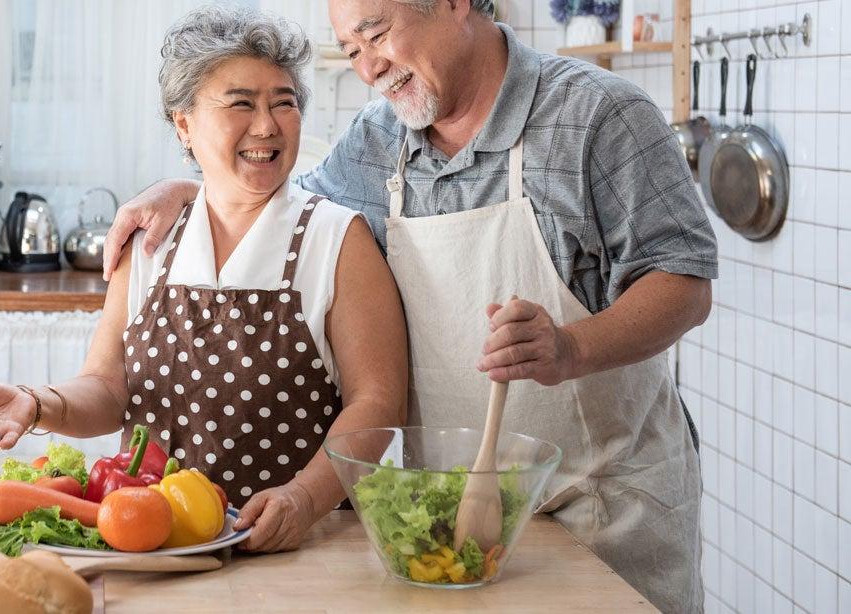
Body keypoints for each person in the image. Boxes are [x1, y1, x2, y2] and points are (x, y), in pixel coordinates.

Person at [97, 1, 716, 611]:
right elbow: (279, 203)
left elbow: (685, 282)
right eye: (352, 50)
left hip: (600, 502)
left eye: (376, 33)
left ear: (453, 4)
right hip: (446, 514)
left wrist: (571, 347)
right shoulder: (378, 137)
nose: (368, 68)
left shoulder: (600, 114)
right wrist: (187, 186)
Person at [0, 5, 408, 554]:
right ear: (184, 124)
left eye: (284, 102)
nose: (267, 125)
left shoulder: (335, 237)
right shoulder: (151, 241)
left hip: (302, 546)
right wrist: (35, 401)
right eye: (241, 104)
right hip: (156, 545)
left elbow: (378, 403)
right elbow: (109, 389)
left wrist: (302, 500)